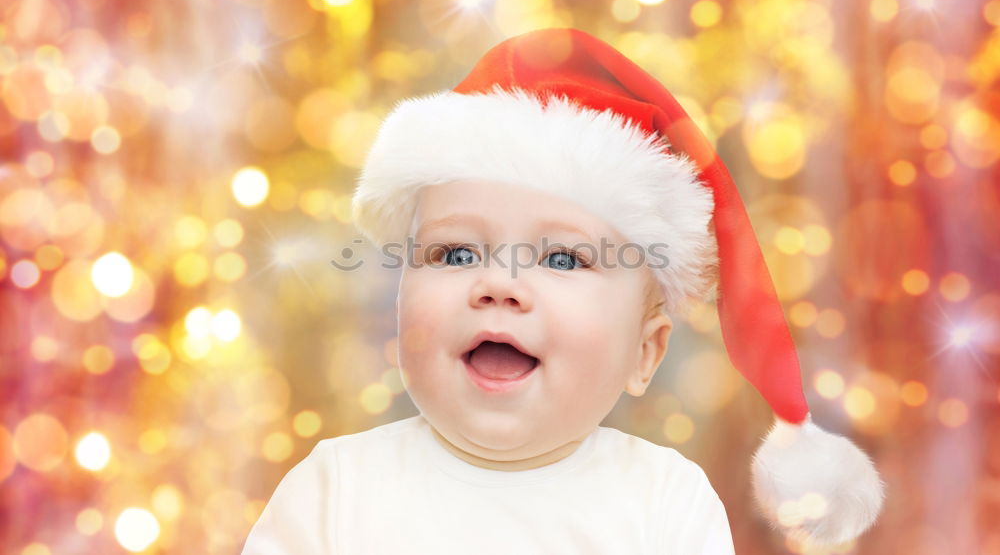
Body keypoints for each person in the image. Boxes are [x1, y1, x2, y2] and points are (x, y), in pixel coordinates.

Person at [241, 28, 884, 554]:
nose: (499, 284)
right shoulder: (335, 488)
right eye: (457, 252)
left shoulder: (663, 500)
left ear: (646, 354)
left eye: (563, 258)